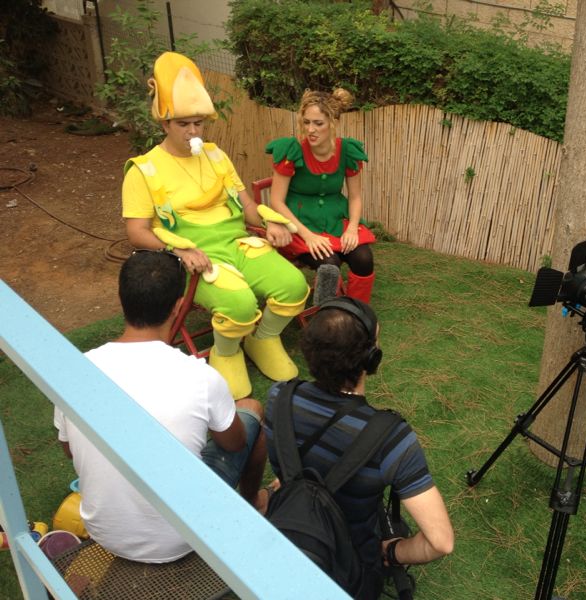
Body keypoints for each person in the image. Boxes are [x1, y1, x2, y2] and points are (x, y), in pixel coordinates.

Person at [54, 250, 268, 562]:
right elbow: (235, 444)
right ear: (178, 307)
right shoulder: (201, 376)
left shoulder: (76, 371)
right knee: (251, 409)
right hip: (185, 537)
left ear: (122, 299)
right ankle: (254, 503)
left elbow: (69, 450)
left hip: (105, 532)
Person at [122, 51, 309, 399]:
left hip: (239, 244)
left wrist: (269, 224)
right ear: (165, 125)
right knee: (239, 304)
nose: (193, 131)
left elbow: (247, 205)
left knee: (294, 286)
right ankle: (227, 352)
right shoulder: (143, 169)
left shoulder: (216, 155)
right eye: (183, 124)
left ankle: (263, 338)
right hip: (194, 258)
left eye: (198, 123)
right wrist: (177, 250)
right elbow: (136, 232)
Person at [264, 298, 454, 597]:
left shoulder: (279, 397)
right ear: (372, 358)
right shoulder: (392, 439)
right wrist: (393, 552)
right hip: (349, 572)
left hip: (285, 535)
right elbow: (441, 542)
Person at [266, 88, 377, 304]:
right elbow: (277, 201)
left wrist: (352, 228)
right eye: (306, 122)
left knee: (364, 258)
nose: (311, 130)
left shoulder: (347, 151)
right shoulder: (292, 150)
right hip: (299, 224)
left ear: (333, 123)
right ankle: (327, 315)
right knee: (329, 263)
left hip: (337, 220)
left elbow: (355, 197)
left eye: (318, 123)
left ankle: (356, 311)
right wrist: (308, 236)